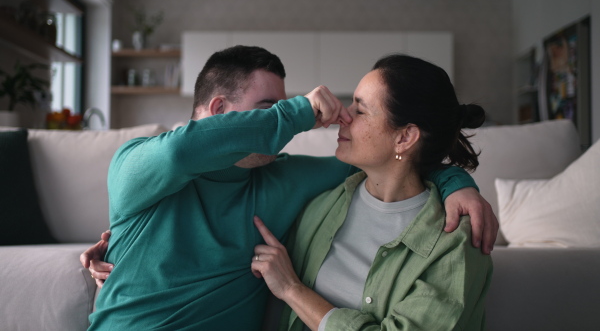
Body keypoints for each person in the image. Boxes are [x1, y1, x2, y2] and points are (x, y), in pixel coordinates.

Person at [82, 46, 497, 330]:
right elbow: (181, 153)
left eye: (284, 106)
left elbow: (394, 170)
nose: (278, 128)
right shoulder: (134, 164)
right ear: (219, 112)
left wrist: (455, 181)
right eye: (269, 110)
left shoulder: (285, 180)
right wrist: (297, 112)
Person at [250, 54, 493, 331]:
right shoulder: (323, 202)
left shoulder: (455, 242)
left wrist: (292, 289)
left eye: (360, 110)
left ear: (404, 137)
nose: (342, 116)